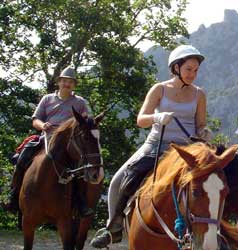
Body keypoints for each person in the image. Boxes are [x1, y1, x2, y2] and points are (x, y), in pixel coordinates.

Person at [91, 44, 210, 248]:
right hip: (156, 144)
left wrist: (205, 132)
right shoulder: (160, 89)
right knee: (119, 180)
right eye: (189, 69)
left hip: (186, 149)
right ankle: (114, 227)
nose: (193, 74)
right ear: (176, 67)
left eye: (196, 70)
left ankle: (215, 231)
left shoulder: (199, 94)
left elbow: (200, 126)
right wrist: (157, 116)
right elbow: (141, 119)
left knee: (215, 180)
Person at [6, 67, 92, 216]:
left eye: (70, 82)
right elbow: (35, 120)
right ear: (59, 82)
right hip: (47, 137)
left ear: (74, 85)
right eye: (64, 81)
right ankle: (14, 197)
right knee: (22, 159)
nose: (67, 84)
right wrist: (42, 125)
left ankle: (81, 202)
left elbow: (87, 122)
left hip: (68, 143)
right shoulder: (47, 99)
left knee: (80, 168)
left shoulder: (80, 102)